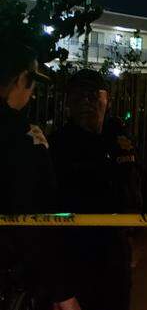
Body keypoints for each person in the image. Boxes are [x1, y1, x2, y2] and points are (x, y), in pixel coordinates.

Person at [51, 69, 147, 310]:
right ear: (68, 103)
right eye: (78, 96)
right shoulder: (59, 145)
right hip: (77, 257)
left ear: (107, 99)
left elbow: (137, 185)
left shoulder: (119, 137)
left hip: (116, 254)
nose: (86, 102)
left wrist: (135, 239)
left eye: (93, 95)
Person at [0, 41, 81, 310]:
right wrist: (63, 291)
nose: (33, 94)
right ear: (22, 79)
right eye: (32, 83)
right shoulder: (24, 138)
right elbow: (37, 217)